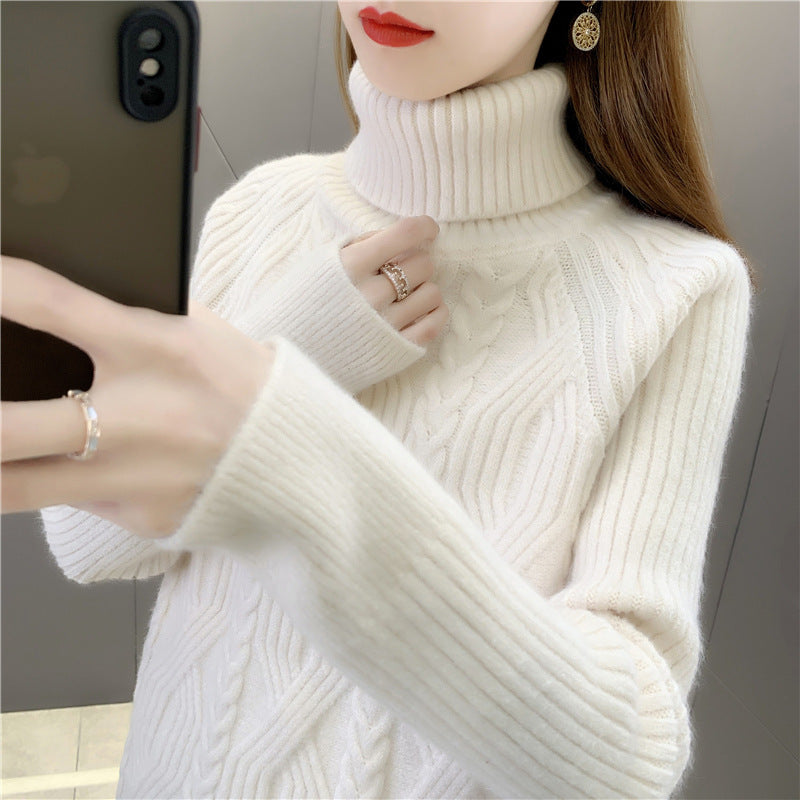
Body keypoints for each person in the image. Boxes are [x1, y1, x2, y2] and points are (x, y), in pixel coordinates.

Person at [1, 1, 756, 797]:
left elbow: (623, 763)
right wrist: (295, 349)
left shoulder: (677, 289)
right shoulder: (262, 206)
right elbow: (88, 546)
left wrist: (279, 434)